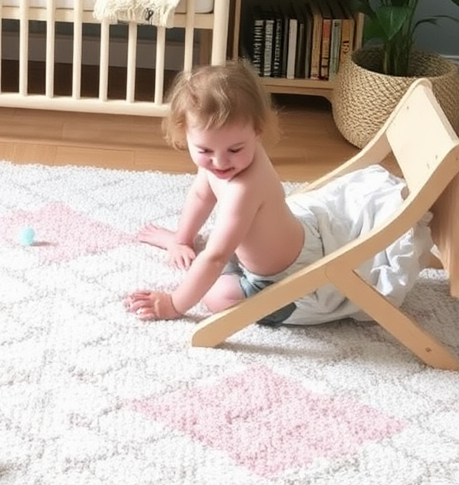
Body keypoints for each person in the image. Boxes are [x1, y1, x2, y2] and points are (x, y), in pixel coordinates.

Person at [126, 61, 321, 324]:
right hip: (263, 251)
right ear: (185, 134)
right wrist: (182, 240)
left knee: (215, 296)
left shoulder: (246, 188)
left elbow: (216, 258)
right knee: (205, 256)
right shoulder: (225, 155)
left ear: (257, 131)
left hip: (284, 279)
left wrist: (173, 303)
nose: (219, 162)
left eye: (235, 150)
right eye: (205, 151)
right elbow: (200, 195)